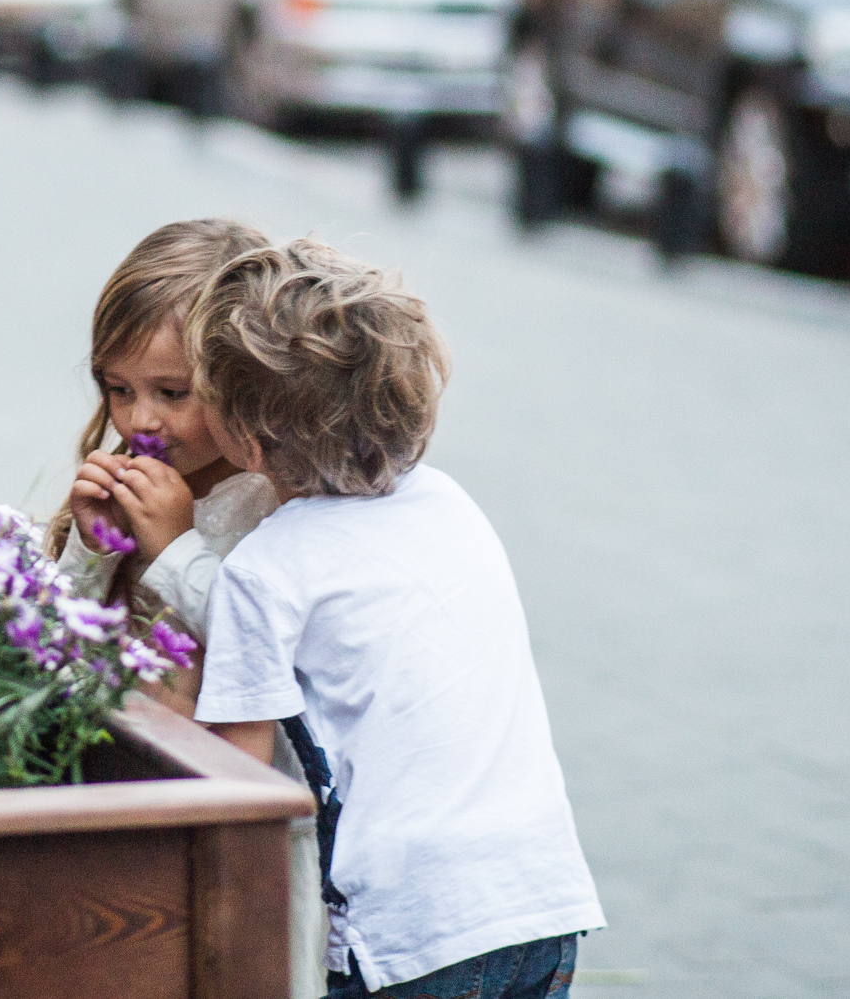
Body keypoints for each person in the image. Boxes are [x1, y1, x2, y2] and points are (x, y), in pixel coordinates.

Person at [189, 238, 604, 999]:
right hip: (541, 897)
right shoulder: (450, 502)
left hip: (411, 934)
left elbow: (237, 789)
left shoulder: (264, 569)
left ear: (248, 440)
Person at [52, 216, 327, 998]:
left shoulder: (272, 506)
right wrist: (90, 549)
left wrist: (174, 548)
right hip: (131, 808)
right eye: (117, 388)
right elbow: (58, 644)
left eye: (173, 393)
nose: (140, 420)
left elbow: (270, 656)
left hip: (248, 837)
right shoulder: (132, 474)